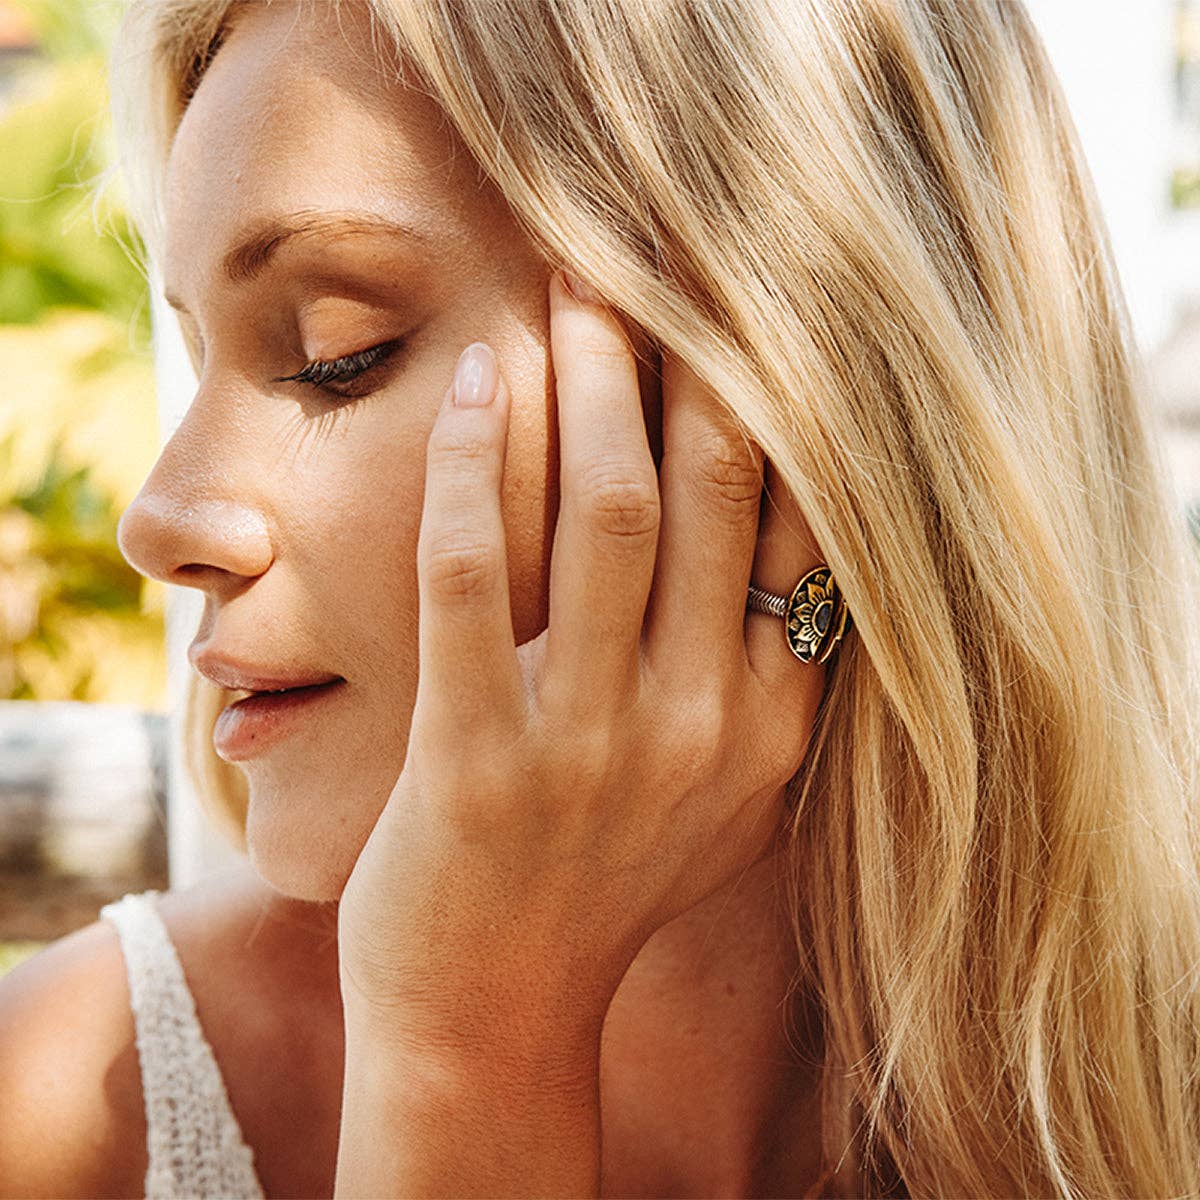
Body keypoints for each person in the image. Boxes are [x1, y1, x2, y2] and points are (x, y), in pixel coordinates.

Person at [2, 0, 1199, 1195]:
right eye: (199, 358)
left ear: (767, 391)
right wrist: (466, 1044)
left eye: (335, 354)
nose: (159, 523)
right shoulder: (68, 1112)